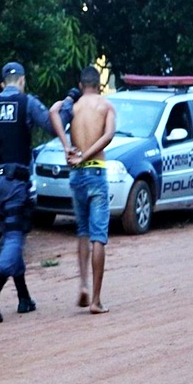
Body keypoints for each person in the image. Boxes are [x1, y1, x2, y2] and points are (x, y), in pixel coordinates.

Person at [0, 61, 72, 323]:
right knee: (14, 237)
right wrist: (69, 103)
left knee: (9, 236)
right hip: (16, 183)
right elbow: (53, 126)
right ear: (22, 81)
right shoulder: (27, 103)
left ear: (3, 84)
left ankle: (24, 297)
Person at [49, 65, 115, 314]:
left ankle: (84, 284)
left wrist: (67, 147)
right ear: (99, 85)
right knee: (98, 235)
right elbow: (108, 135)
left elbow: (53, 112)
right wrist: (87, 155)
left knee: (83, 231)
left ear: (80, 85)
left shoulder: (73, 107)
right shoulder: (106, 106)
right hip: (96, 171)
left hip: (76, 175)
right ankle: (96, 300)